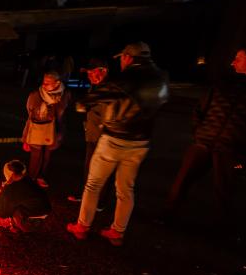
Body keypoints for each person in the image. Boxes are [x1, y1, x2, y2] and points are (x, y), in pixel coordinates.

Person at [67, 42, 169, 246]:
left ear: (129, 58)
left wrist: (83, 103)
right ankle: (118, 231)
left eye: (122, 57)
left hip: (114, 138)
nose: (121, 61)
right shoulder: (160, 77)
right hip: (141, 142)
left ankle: (82, 226)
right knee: (126, 189)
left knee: (94, 184)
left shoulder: (125, 78)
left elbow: (94, 98)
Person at [162, 48, 246, 238]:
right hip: (204, 142)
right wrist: (199, 132)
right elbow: (199, 110)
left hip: (230, 149)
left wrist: (241, 153)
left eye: (238, 59)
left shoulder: (224, 85)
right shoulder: (223, 85)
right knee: (182, 182)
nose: (233, 63)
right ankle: (167, 215)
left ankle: (219, 229)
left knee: (223, 190)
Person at [68, 58, 114, 210]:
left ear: (103, 71)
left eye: (91, 73)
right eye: (87, 73)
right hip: (92, 135)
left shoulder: (110, 90)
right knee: (89, 167)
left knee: (102, 170)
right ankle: (87, 194)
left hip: (104, 138)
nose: (88, 76)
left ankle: (99, 201)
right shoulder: (94, 87)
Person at [22, 71, 71, 188]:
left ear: (57, 83)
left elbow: (66, 113)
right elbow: (30, 111)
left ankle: (41, 176)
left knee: (47, 155)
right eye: (43, 82)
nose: (44, 85)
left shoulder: (65, 95)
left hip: (55, 130)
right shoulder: (36, 95)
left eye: (47, 83)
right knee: (36, 155)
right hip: (37, 129)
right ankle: (31, 177)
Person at [0, 160, 52, 233]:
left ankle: (19, 229)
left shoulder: (12, 188)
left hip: (35, 213)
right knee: (15, 204)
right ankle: (35, 223)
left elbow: (3, 212)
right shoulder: (28, 179)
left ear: (9, 174)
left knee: (13, 208)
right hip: (45, 209)